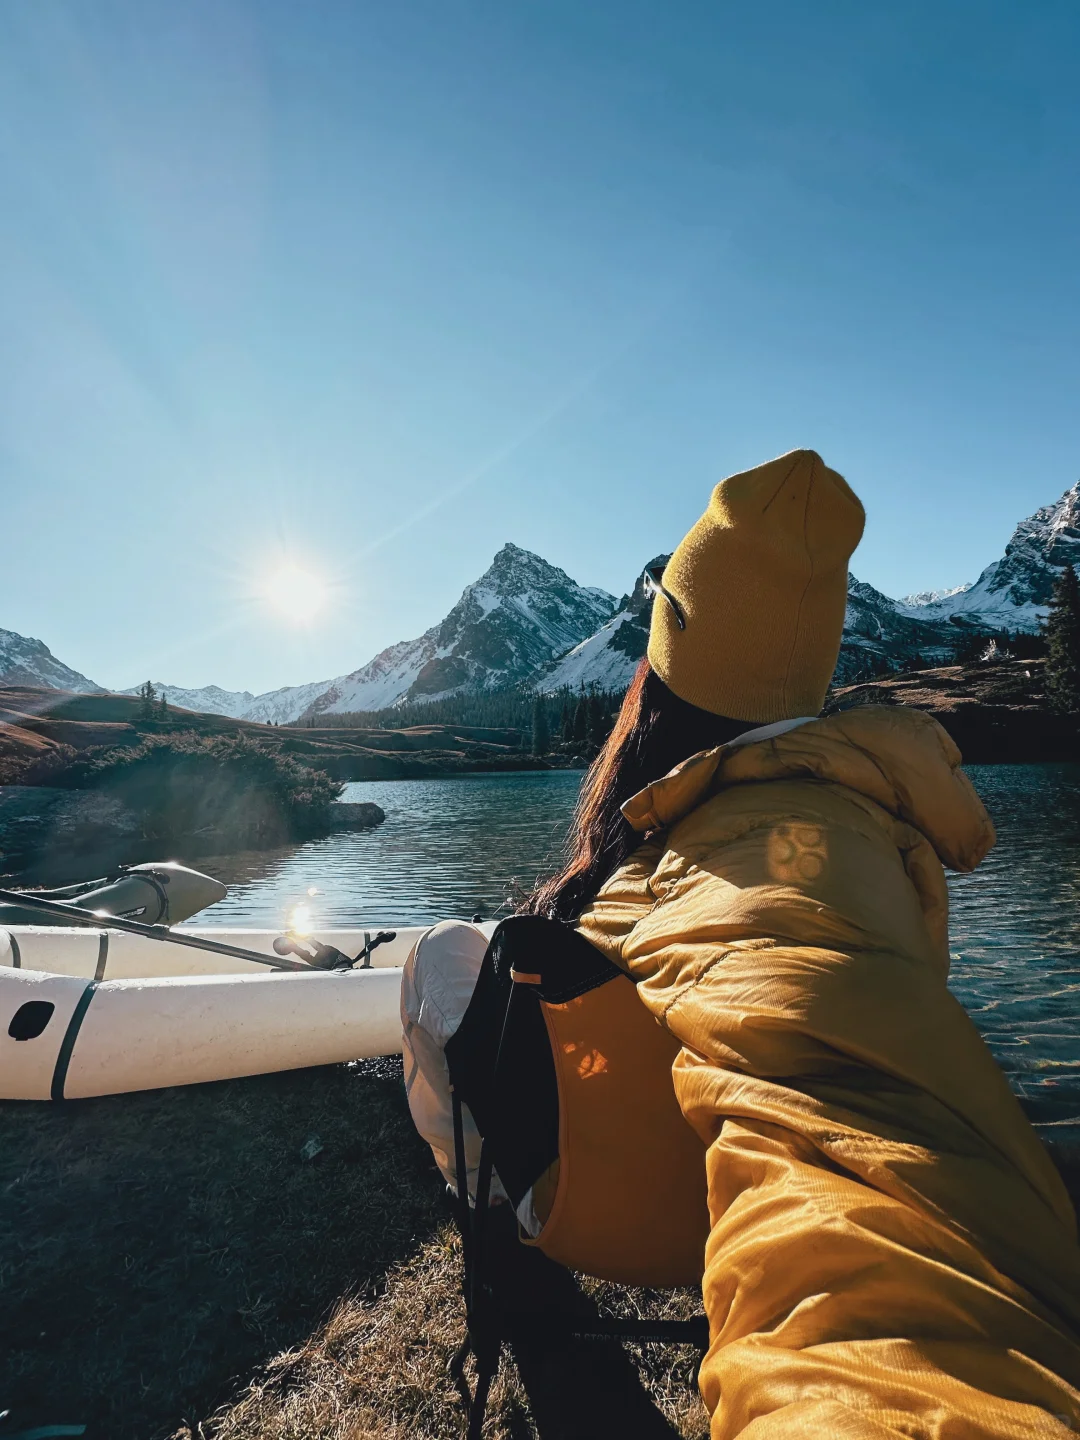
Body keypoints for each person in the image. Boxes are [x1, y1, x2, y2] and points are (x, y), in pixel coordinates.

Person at [403, 449, 1080, 1436]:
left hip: (631, 1217)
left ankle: (508, 1260)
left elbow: (837, 1173)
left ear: (661, 678)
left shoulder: (721, 857)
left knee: (437, 961)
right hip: (720, 1196)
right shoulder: (867, 836)